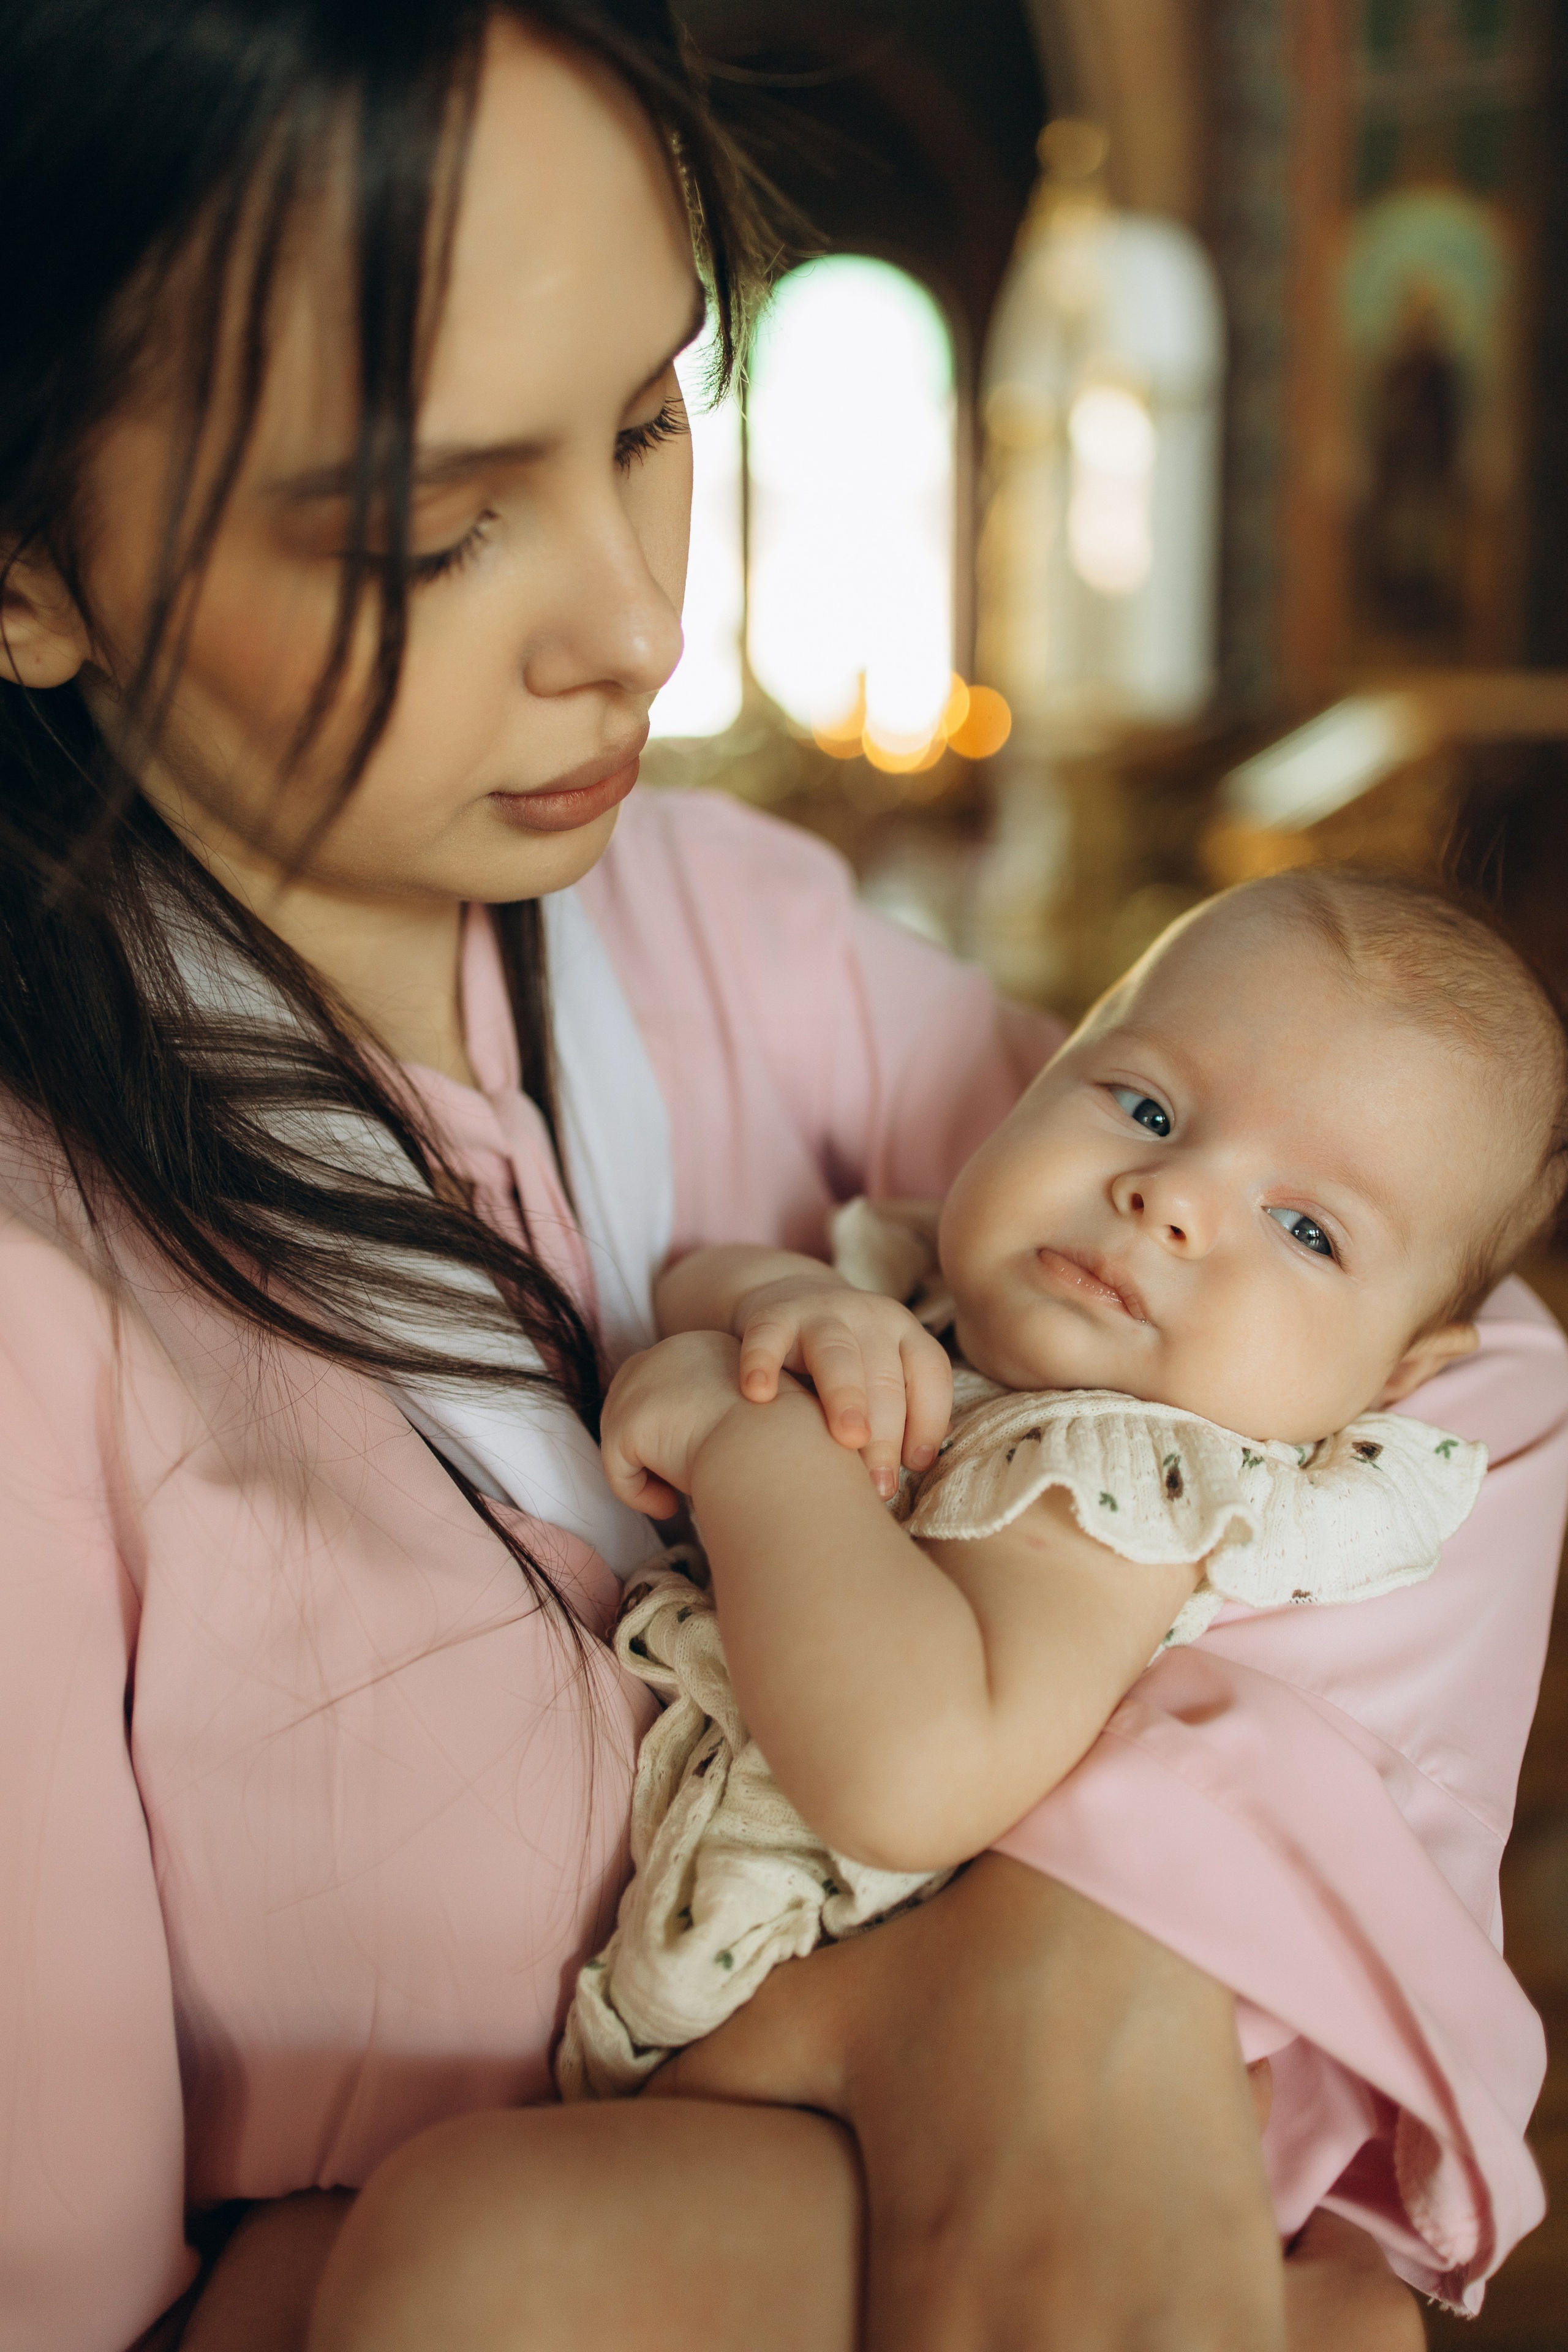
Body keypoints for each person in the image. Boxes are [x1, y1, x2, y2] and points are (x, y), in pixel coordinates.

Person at [0, 4, 1548, 2348]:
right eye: (432, 525)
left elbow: (1439, 1376)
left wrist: (1088, 1943)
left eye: (652, 423)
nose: (633, 621)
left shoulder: (728, 933)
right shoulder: (44, 1304)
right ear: (28, 564)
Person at [571, 873, 1556, 2090]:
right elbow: (687, 1283)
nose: (1171, 1198)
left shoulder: (1119, 1488)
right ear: (1037, 1084)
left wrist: (751, 1440)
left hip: (828, 2096)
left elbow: (906, 1775)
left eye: (1304, 1229)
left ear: (1392, 1375)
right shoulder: (922, 1292)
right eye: (1143, 1106)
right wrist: (780, 1303)